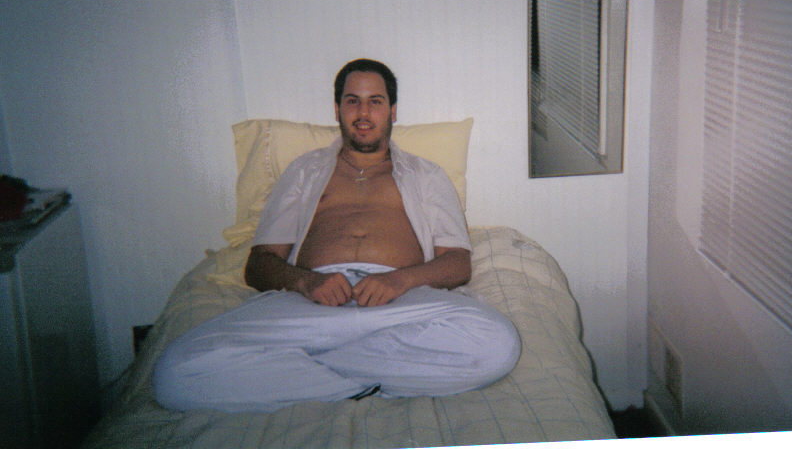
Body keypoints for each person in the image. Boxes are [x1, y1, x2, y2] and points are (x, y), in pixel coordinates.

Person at [152, 59, 521, 413]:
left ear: (392, 111)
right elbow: (259, 265)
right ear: (337, 109)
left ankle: (311, 374)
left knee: (499, 342)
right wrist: (307, 282)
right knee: (174, 373)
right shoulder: (303, 171)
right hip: (314, 303)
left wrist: (399, 281)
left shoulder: (427, 175)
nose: (364, 113)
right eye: (352, 101)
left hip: (398, 303)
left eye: (375, 102)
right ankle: (373, 376)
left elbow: (457, 264)